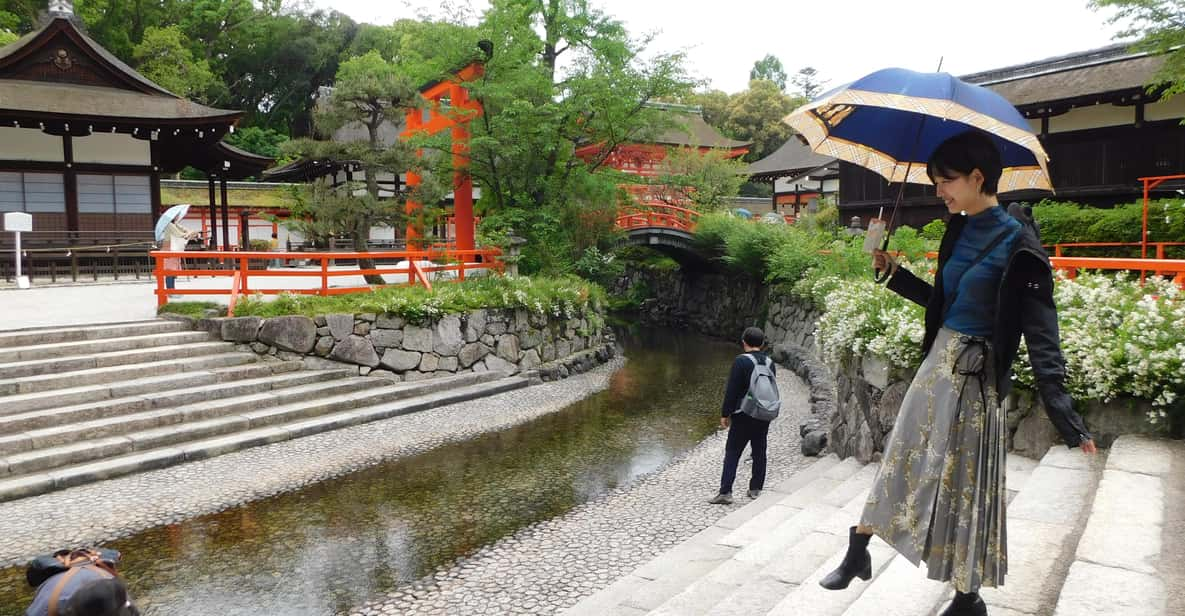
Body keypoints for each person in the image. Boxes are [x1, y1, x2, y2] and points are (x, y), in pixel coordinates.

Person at [818, 130, 1097, 616]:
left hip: (976, 378)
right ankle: (859, 547)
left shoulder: (1021, 247)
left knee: (966, 484)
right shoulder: (958, 229)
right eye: (935, 182)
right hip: (938, 365)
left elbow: (1041, 331)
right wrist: (895, 274)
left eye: (945, 182)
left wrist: (1065, 414)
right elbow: (945, 304)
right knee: (901, 457)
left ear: (977, 177)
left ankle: (968, 596)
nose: (939, 191)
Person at [709, 326, 776, 505]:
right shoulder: (769, 362)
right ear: (762, 344)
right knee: (760, 451)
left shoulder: (741, 361)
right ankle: (755, 489)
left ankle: (725, 492)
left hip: (743, 413)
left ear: (744, 342)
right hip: (763, 413)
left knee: (733, 452)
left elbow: (732, 390)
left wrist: (725, 414)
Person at [161, 220, 195, 295]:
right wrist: (189, 233)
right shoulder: (169, 225)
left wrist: (189, 232)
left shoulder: (175, 225)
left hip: (174, 249)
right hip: (169, 249)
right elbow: (179, 234)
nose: (177, 217)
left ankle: (172, 290)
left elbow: (184, 232)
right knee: (170, 271)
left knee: (172, 271)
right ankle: (170, 292)